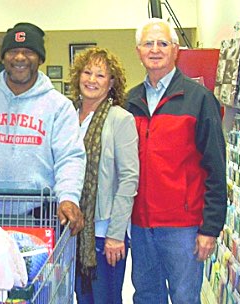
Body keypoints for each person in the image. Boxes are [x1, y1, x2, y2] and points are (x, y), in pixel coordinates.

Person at [127, 18, 226, 304]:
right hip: (141, 226)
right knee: (146, 297)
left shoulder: (199, 99)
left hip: (184, 228)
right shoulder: (130, 101)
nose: (155, 49)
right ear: (138, 51)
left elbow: (215, 169)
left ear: (176, 50)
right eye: (148, 43)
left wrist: (210, 228)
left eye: (162, 43)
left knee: (184, 298)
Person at [0, 22, 85, 235]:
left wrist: (69, 197)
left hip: (39, 219)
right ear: (3, 58)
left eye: (28, 52)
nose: (20, 57)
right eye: (13, 51)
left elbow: (70, 157)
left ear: (40, 59)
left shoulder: (59, 106)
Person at [68, 48, 139, 303]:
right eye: (87, 72)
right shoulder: (66, 116)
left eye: (100, 75)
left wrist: (116, 234)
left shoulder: (121, 119)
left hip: (104, 233)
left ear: (111, 83)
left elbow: (129, 179)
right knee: (82, 297)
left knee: (105, 298)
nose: (91, 80)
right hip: (71, 231)